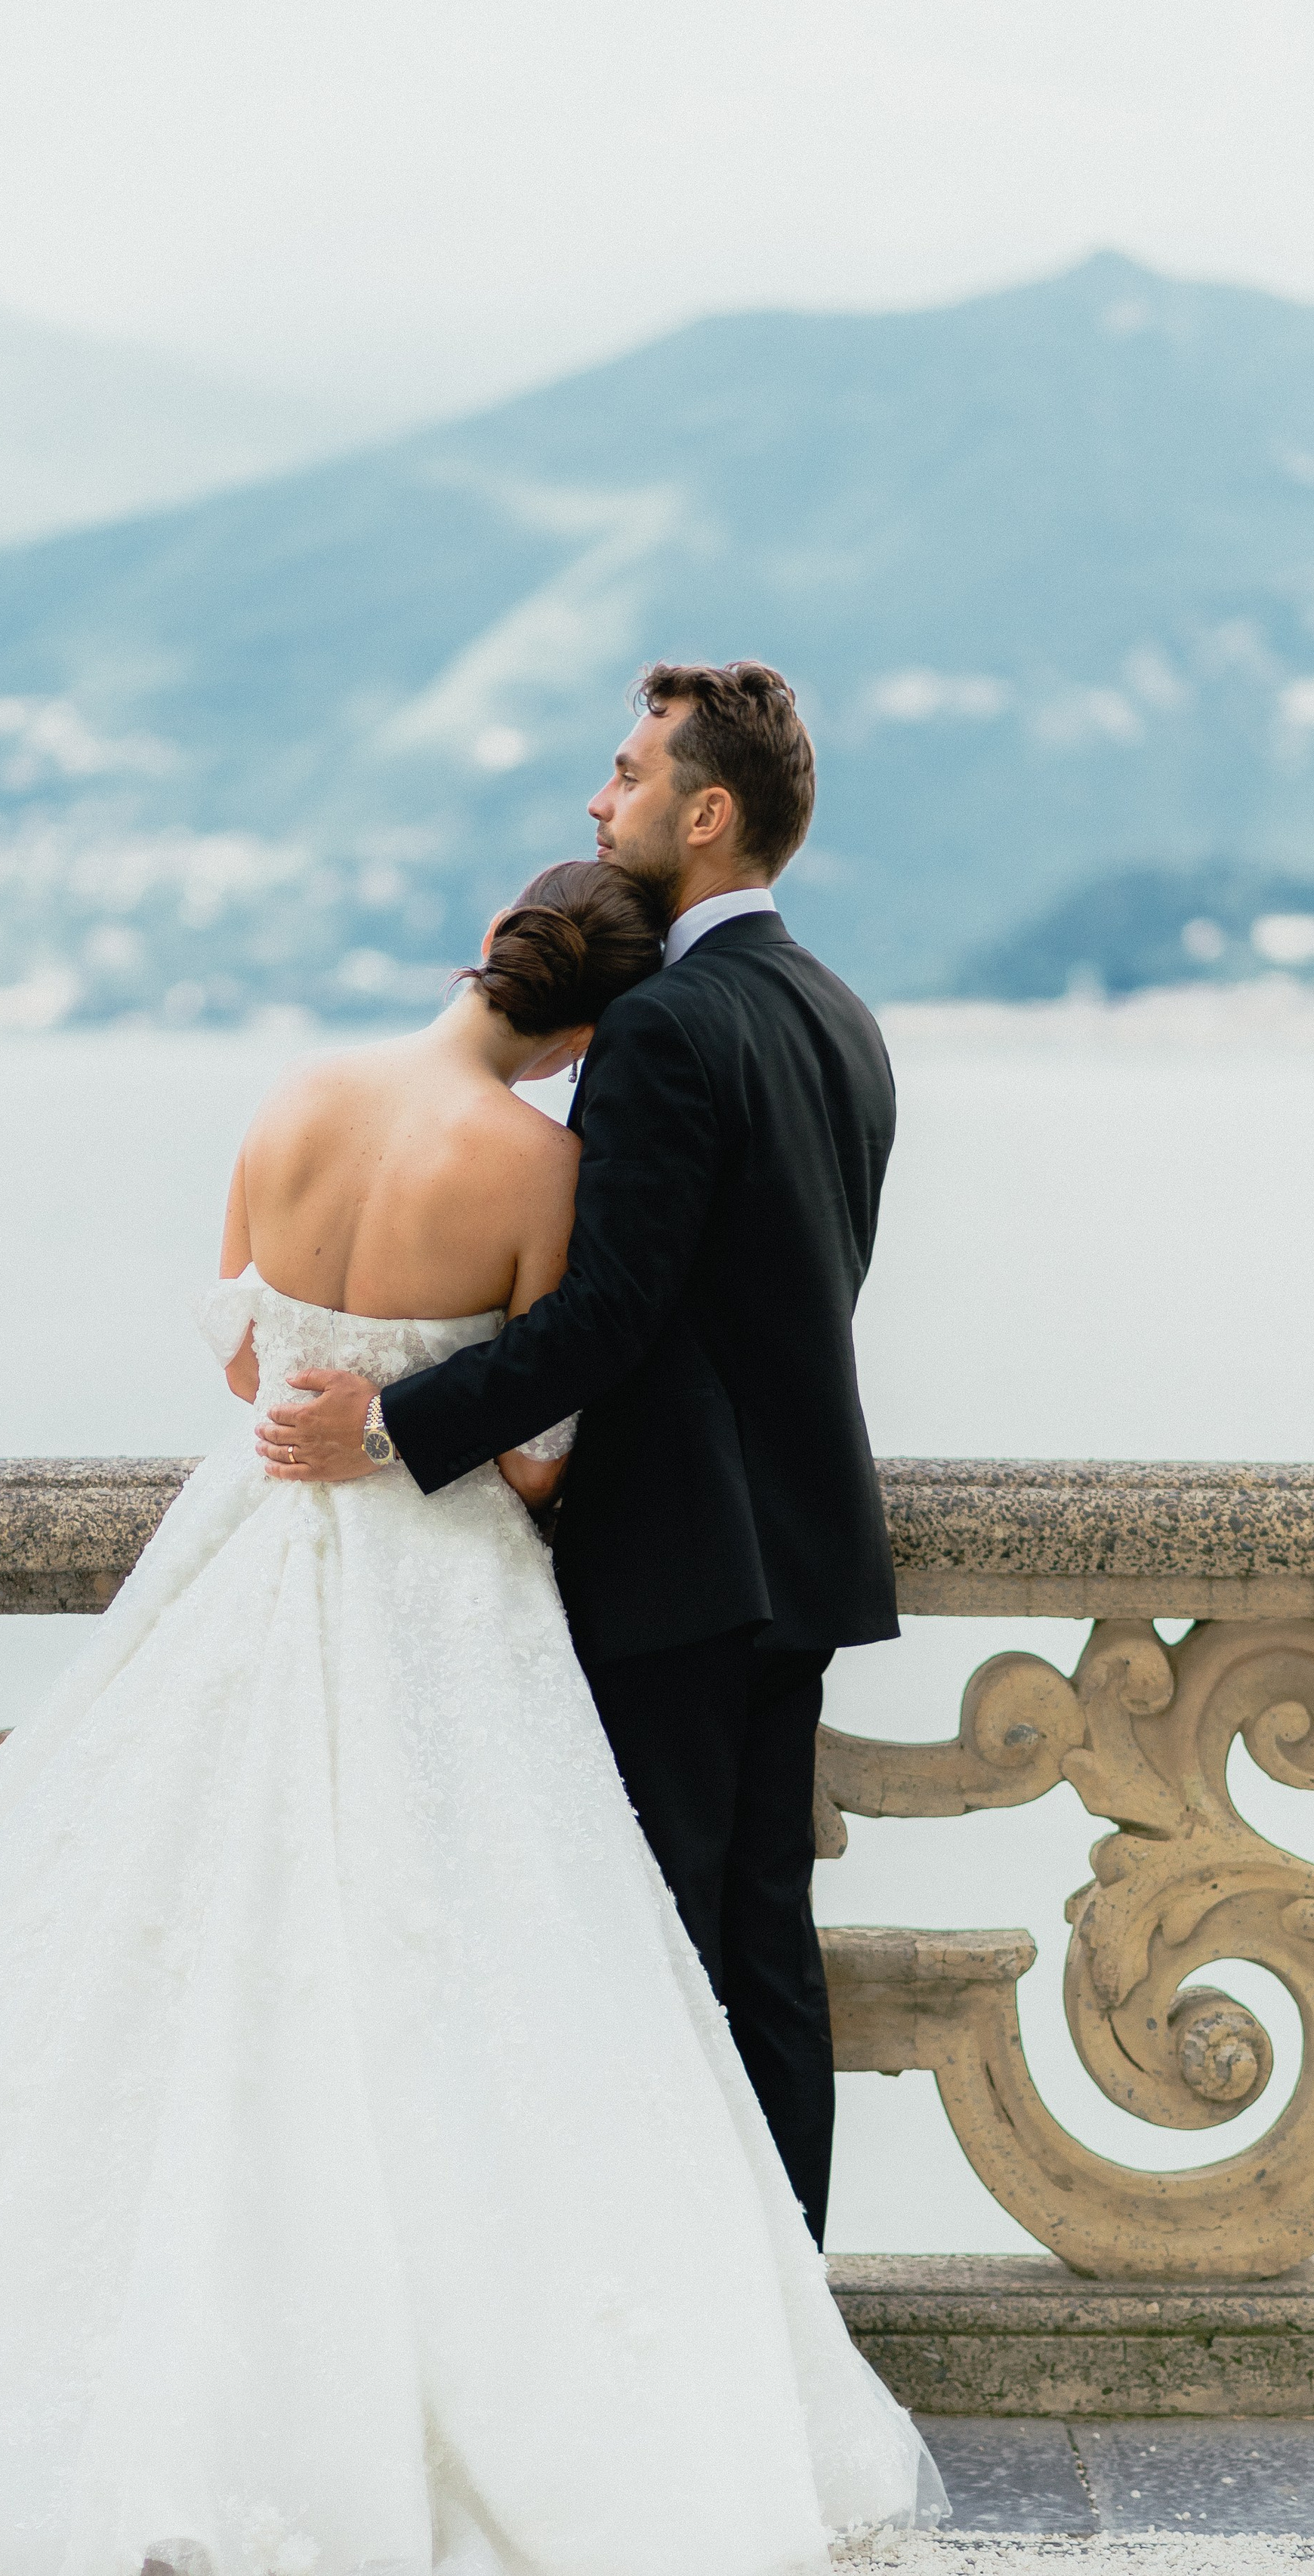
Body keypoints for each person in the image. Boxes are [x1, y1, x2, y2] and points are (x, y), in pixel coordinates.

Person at [0, 857, 940, 2576]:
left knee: (147, 1933)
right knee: (459, 1971)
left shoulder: (292, 1096)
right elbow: (531, 1449)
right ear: (584, 1031)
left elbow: (242, 1357)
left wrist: (318, 1393)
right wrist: (441, 1430)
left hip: (243, 1549)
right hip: (433, 1587)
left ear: (482, 959)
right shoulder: (540, 1162)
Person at [262, 663, 898, 2245]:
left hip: (677, 1562)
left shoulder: (668, 1028)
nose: (596, 803)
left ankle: (689, 2328)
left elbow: (609, 1317)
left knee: (648, 1959)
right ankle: (777, 2313)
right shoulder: (836, 1011)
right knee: (760, 1956)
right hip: (802, 1550)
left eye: (621, 776)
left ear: (704, 811)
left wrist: (390, 1423)